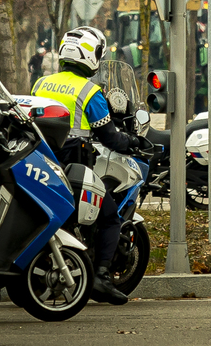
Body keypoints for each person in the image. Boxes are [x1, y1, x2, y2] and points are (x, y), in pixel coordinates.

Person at [31, 25, 139, 305]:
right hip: (74, 168)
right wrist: (134, 142)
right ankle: (101, 277)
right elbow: (110, 138)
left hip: (42, 165)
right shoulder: (90, 92)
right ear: (91, 55)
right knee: (110, 217)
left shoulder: (41, 83)